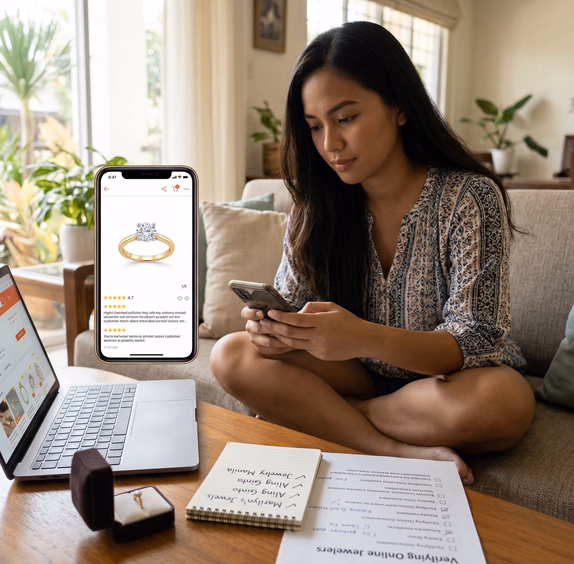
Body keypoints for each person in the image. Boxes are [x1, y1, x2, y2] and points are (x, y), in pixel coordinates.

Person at [210, 21, 535, 485]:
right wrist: (277, 332)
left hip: (448, 383)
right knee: (232, 353)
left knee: (505, 402)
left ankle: (334, 419)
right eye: (315, 127)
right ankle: (387, 449)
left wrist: (359, 336)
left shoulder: (468, 197)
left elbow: (478, 339)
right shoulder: (315, 204)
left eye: (346, 119)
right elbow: (291, 306)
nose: (330, 145)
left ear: (399, 106)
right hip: (355, 374)